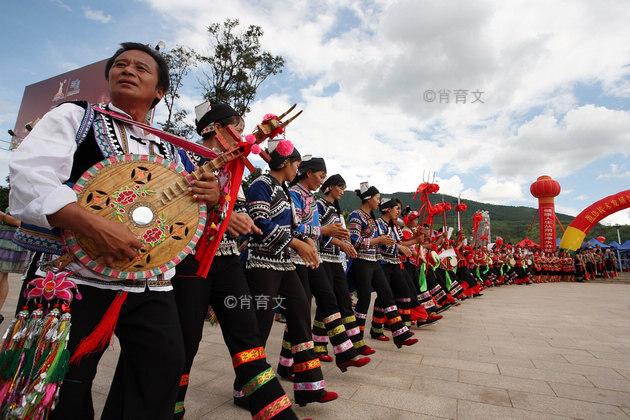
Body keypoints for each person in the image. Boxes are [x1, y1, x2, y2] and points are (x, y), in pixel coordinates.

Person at [9, 42, 220, 419]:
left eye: (142, 68)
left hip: (149, 282)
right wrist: (94, 225)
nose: (128, 70)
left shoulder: (170, 149)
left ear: (159, 92)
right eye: (120, 65)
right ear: (108, 77)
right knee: (62, 380)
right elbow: (30, 176)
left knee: (160, 369)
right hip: (74, 275)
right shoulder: (75, 117)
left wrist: (210, 194)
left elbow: (187, 209)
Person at [171, 102, 296, 419]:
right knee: (186, 341)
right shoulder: (182, 158)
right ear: (215, 129)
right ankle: (170, 408)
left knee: (247, 335)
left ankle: (275, 413)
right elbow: (176, 207)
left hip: (227, 261)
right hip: (191, 263)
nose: (243, 136)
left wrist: (232, 218)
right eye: (238, 129)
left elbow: (232, 210)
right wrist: (226, 215)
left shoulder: (234, 170)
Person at [245, 139, 338, 407]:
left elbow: (295, 226)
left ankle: (309, 386)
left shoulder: (283, 190)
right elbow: (260, 224)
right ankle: (246, 388)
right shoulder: (260, 184)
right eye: (297, 164)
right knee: (260, 326)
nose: (298, 169)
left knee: (300, 313)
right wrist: (296, 242)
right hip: (262, 264)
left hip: (284, 263)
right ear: (285, 162)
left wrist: (307, 242)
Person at [347, 183, 417, 349]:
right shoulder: (356, 215)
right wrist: (378, 241)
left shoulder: (371, 218)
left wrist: (388, 244)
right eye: (377, 198)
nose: (379, 202)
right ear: (368, 198)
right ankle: (357, 341)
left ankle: (400, 332)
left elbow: (382, 243)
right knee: (364, 299)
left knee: (387, 294)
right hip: (362, 262)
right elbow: (354, 240)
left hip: (375, 261)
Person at [0, 210, 30, 324]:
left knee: (2, 275)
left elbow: (20, 222)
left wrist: (3, 217)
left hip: (11, 238)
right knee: (3, 276)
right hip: (6, 236)